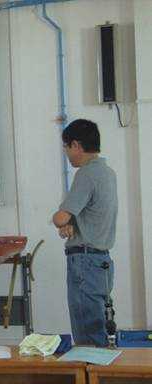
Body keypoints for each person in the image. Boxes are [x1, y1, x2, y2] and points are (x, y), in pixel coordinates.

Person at [52, 119, 117, 347]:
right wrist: (71, 222)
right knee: (99, 327)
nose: (66, 153)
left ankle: (89, 371)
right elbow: (85, 214)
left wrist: (62, 220)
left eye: (66, 147)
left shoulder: (86, 174)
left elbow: (60, 218)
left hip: (84, 262)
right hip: (101, 261)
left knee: (87, 336)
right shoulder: (107, 173)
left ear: (76, 145)